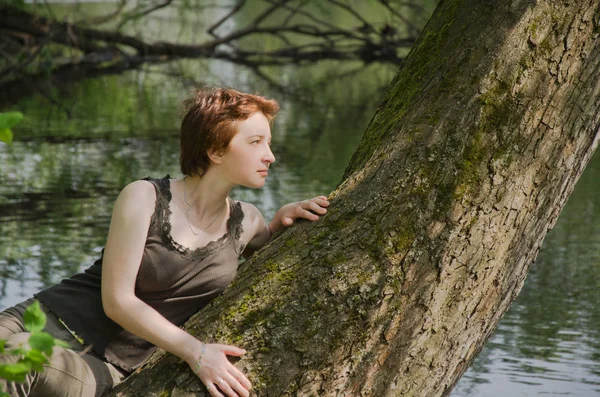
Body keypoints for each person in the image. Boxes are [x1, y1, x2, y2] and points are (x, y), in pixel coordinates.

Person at [0, 87, 330, 397]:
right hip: (42, 316)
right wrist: (196, 352)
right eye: (256, 142)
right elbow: (118, 301)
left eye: (268, 143)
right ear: (215, 150)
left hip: (102, 364)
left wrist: (285, 218)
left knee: (18, 356)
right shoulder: (144, 197)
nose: (269, 156)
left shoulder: (249, 222)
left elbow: (275, 256)